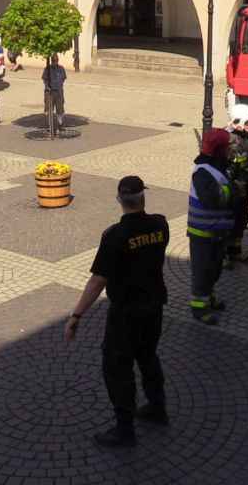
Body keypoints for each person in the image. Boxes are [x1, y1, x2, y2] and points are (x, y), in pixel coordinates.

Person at [64, 175, 170, 447]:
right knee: (148, 356)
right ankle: (157, 408)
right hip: (154, 306)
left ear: (119, 200)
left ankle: (125, 430)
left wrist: (76, 315)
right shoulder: (160, 225)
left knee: (118, 368)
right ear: (143, 197)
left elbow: (98, 280)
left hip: (126, 313)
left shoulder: (115, 236)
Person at [187, 128, 240, 325]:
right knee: (203, 271)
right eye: (228, 147)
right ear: (218, 150)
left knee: (214, 268)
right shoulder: (202, 171)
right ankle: (199, 307)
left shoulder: (217, 167)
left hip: (216, 231)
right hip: (202, 233)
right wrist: (234, 189)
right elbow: (213, 197)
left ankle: (209, 296)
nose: (230, 150)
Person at [223, 104, 248, 269]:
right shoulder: (228, 139)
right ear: (238, 121)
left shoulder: (247, 138)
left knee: (241, 220)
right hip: (232, 189)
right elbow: (224, 168)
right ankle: (222, 254)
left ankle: (235, 250)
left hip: (244, 189)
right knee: (228, 222)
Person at [42, 53, 67, 129]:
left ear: (58, 60)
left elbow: (63, 79)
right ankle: (50, 125)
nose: (54, 61)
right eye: (53, 60)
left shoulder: (61, 69)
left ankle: (60, 124)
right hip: (49, 92)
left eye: (56, 60)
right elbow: (45, 80)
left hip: (59, 92)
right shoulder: (47, 69)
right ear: (51, 60)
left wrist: (58, 85)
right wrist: (48, 87)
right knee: (49, 109)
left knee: (60, 109)